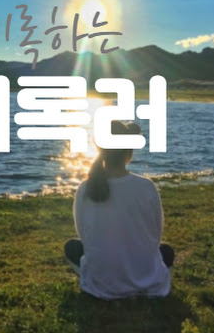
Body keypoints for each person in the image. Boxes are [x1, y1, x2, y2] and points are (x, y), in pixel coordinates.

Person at [64, 120, 174, 300]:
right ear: (128, 152)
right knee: (166, 251)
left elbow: (84, 236)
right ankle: (140, 281)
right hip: (146, 278)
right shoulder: (147, 187)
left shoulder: (85, 188)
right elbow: (155, 234)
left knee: (72, 247)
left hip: (103, 284)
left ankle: (110, 280)